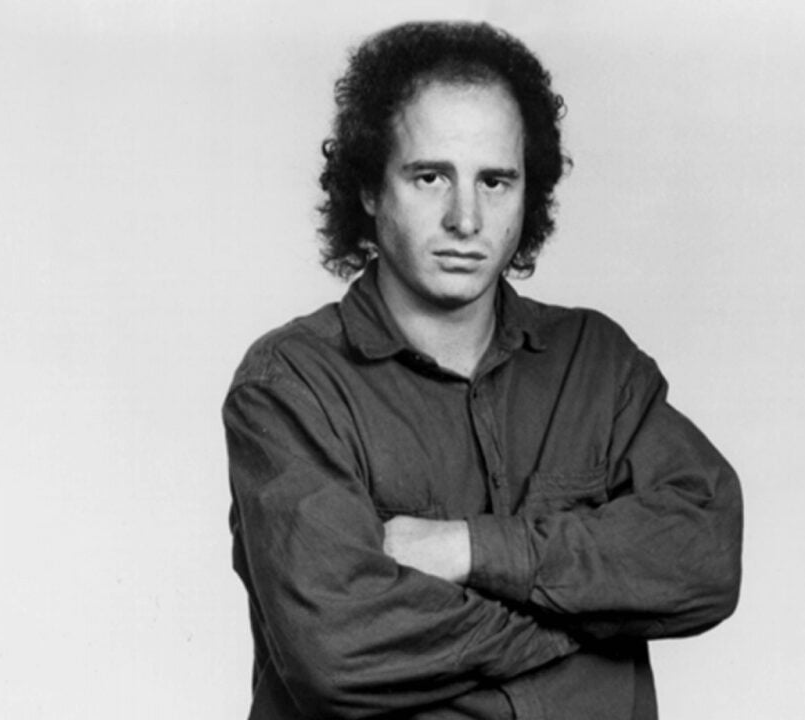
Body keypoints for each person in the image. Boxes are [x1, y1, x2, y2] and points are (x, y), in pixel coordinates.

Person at [223, 20, 742, 720]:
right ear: (370, 189)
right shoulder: (291, 383)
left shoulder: (597, 363)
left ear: (530, 193)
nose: (465, 218)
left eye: (495, 181)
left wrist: (468, 549)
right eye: (430, 176)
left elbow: (707, 555)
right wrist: (591, 614)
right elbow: (338, 648)